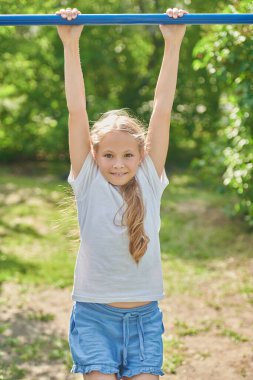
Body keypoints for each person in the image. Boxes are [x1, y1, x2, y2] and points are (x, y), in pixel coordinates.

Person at [56, 5, 188, 380]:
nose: (118, 163)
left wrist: (173, 43)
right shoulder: (88, 180)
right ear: (94, 154)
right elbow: (76, 111)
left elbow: (162, 110)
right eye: (109, 155)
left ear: (142, 154)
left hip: (145, 320)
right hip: (95, 316)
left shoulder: (148, 177)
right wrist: (71, 44)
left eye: (128, 155)